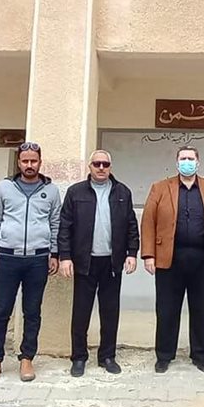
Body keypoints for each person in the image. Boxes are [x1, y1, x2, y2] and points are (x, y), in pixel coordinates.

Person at [141, 145, 204, 374]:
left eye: (191, 158)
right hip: (169, 259)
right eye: (183, 158)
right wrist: (149, 255)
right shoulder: (160, 188)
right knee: (167, 310)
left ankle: (200, 356)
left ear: (198, 162)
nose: (187, 162)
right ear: (176, 162)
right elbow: (148, 221)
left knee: (203, 310)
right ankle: (164, 355)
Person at [0, 141, 61, 384]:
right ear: (18, 162)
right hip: (7, 257)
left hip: (38, 259)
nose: (29, 165)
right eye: (25, 161)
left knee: (32, 311)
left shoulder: (51, 190)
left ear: (40, 162)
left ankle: (27, 358)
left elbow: (55, 222)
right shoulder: (4, 187)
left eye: (33, 161)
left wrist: (54, 253)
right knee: (1, 310)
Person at [59, 150, 140, 377]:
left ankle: (107, 356)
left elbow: (131, 225)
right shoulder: (76, 192)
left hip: (112, 263)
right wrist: (65, 256)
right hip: (84, 262)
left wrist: (132, 253)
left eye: (105, 164)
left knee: (110, 312)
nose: (101, 168)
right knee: (81, 312)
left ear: (110, 167)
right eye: (97, 164)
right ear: (90, 166)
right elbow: (65, 226)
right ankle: (79, 357)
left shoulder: (122, 192)